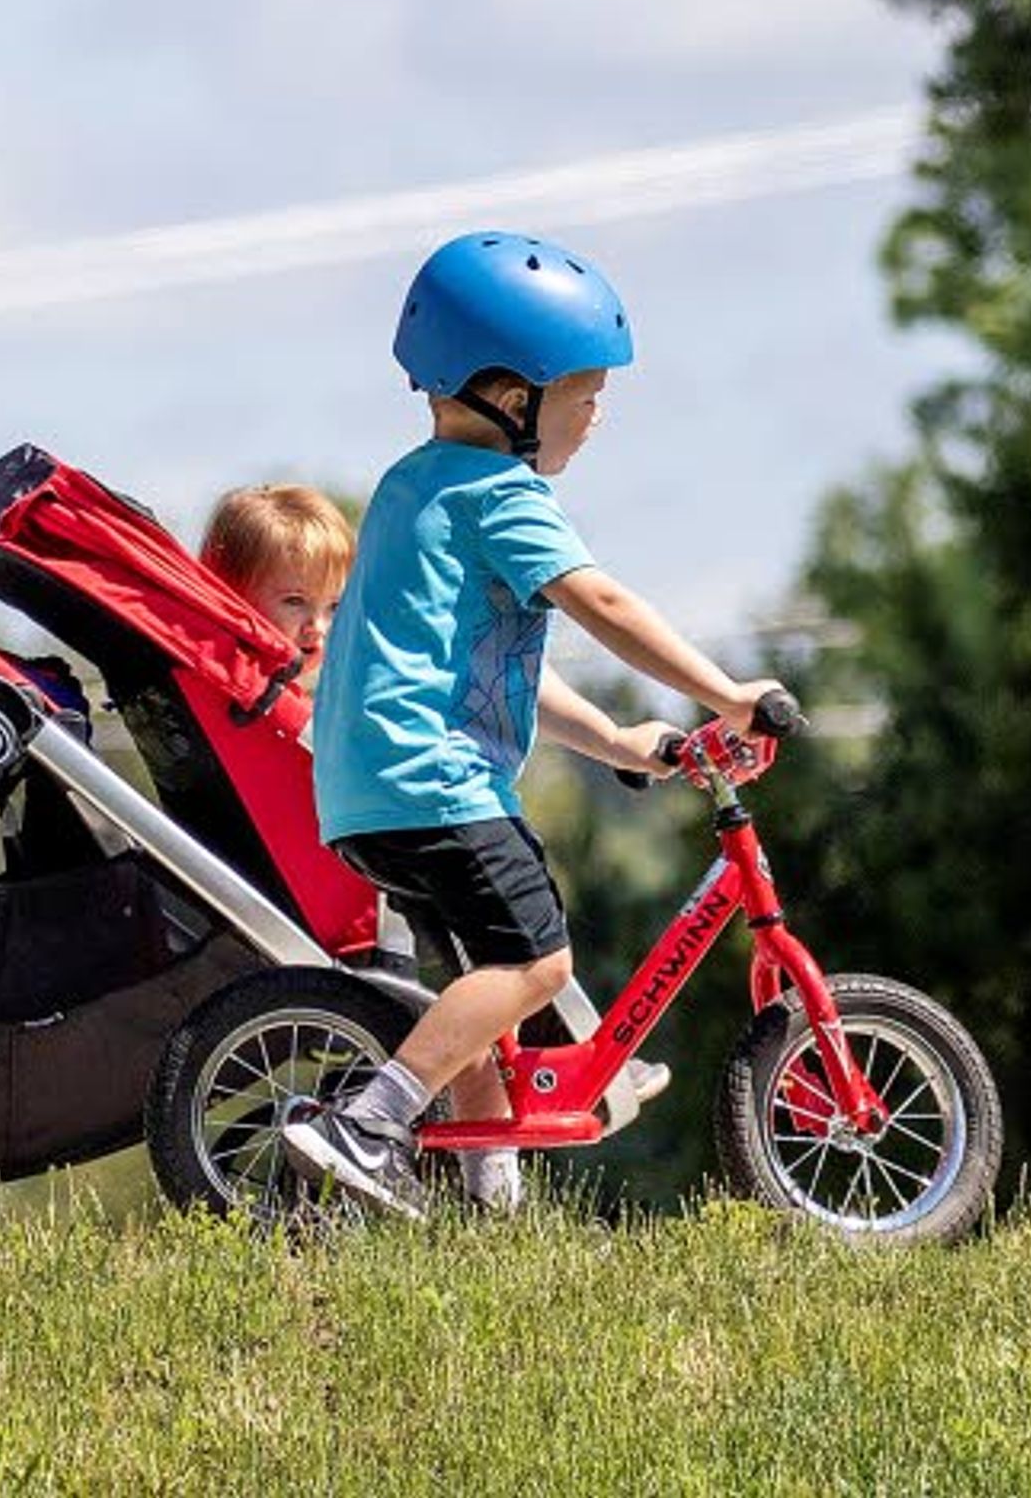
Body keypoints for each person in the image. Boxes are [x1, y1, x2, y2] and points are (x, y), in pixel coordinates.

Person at [280, 231, 785, 1219]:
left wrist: (617, 740)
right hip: (437, 783)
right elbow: (604, 605)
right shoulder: (501, 494)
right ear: (512, 395)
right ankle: (368, 1123)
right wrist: (727, 692)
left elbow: (499, 671)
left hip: (365, 790)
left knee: (477, 990)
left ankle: (490, 1202)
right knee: (536, 963)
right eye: (583, 392)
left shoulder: (410, 485)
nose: (597, 415)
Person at [197, 482, 353, 700]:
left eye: (334, 606)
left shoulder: (335, 689)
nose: (317, 627)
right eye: (295, 601)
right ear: (232, 597)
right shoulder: (220, 689)